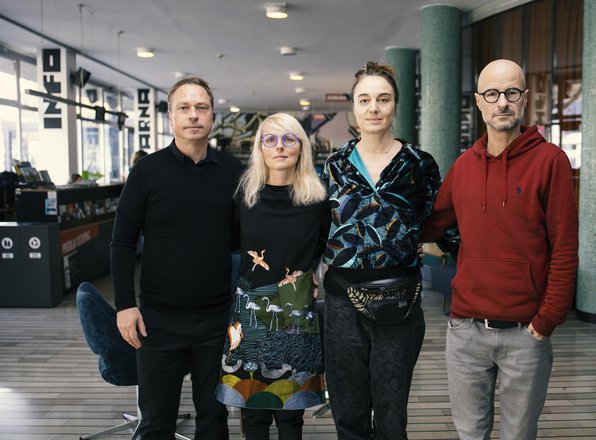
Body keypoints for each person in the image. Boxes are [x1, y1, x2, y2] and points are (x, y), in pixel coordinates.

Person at [423, 59, 579, 440]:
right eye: (492, 94)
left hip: (526, 334)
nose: (502, 102)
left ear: (524, 99)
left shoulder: (551, 161)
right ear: (479, 102)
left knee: (518, 435)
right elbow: (429, 225)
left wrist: (545, 323)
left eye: (511, 93)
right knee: (470, 433)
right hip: (466, 330)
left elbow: (565, 248)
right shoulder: (463, 166)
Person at [110, 77, 243, 440]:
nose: (193, 115)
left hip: (217, 319)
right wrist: (125, 305)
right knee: (156, 423)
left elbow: (242, 240)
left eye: (201, 107)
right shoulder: (147, 171)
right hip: (157, 320)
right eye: (183, 107)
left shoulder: (234, 173)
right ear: (171, 117)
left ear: (212, 116)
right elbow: (122, 242)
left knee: (214, 418)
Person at [321, 61, 441, 440]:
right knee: (349, 414)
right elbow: (316, 225)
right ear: (353, 108)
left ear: (395, 105)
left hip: (398, 302)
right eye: (365, 99)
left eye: (383, 99)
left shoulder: (419, 164)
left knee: (391, 418)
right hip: (341, 304)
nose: (374, 108)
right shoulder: (334, 166)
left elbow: (439, 223)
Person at [216, 113, 328, 440]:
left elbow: (324, 245)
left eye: (288, 139)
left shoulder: (317, 199)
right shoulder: (244, 197)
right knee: (253, 413)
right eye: (270, 139)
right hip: (250, 315)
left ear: (301, 148)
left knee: (291, 416)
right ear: (260, 149)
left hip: (295, 310)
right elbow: (232, 243)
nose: (280, 147)